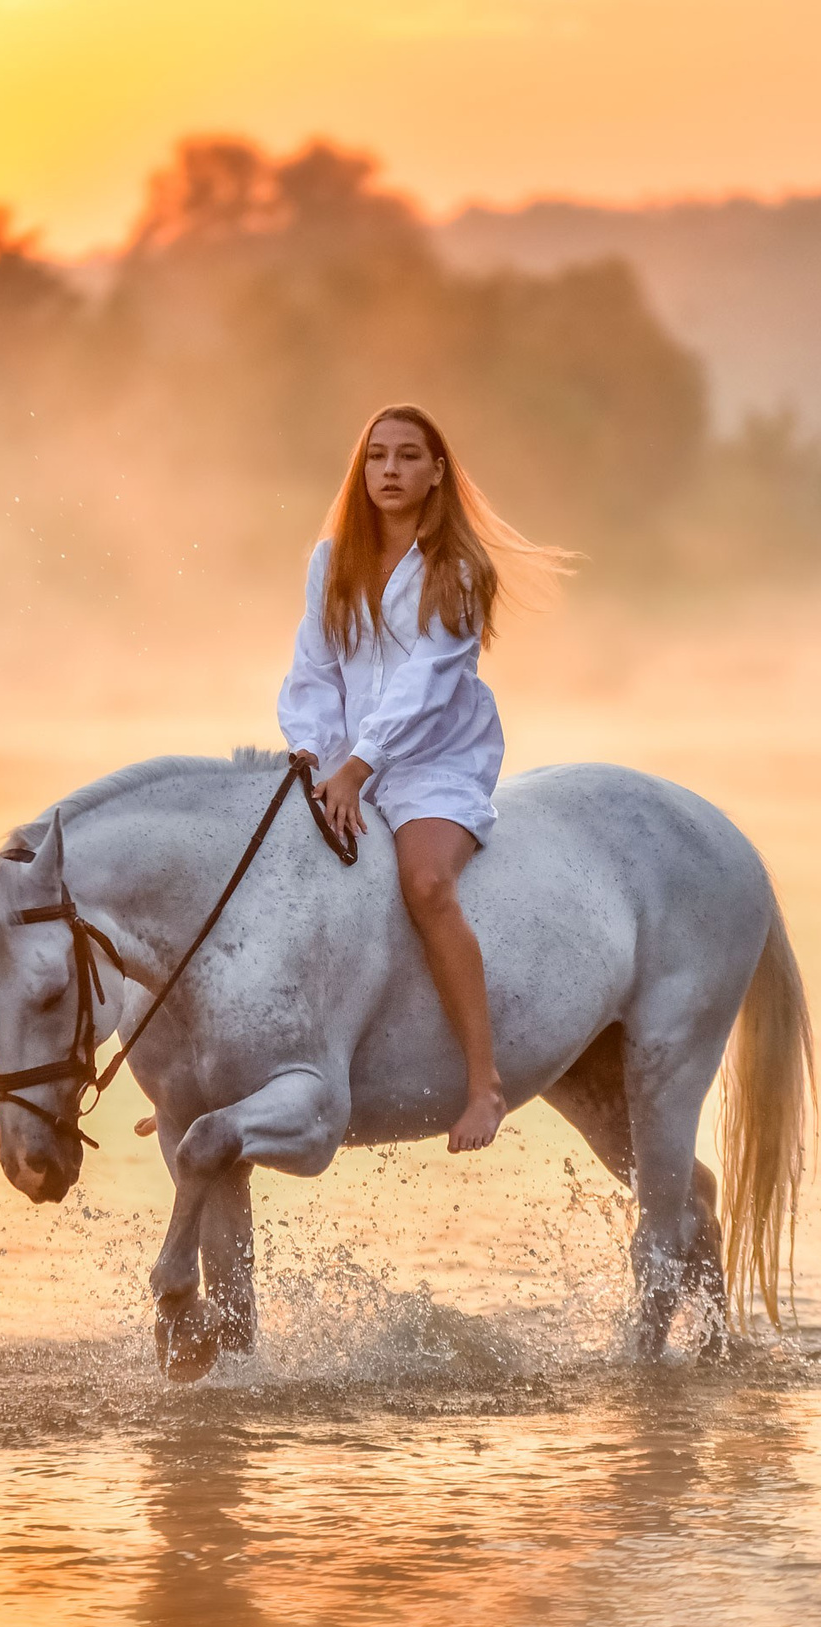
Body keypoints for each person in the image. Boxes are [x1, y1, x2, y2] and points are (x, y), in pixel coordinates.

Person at [278, 404, 568, 1154]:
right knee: (270, 874)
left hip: (436, 759)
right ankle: (236, 1067)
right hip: (343, 762)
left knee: (427, 883)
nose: (390, 471)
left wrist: (357, 768)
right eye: (377, 456)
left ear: (437, 471)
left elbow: (428, 684)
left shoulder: (460, 569)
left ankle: (483, 1081)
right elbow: (312, 672)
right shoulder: (329, 561)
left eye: (409, 456)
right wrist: (311, 756)